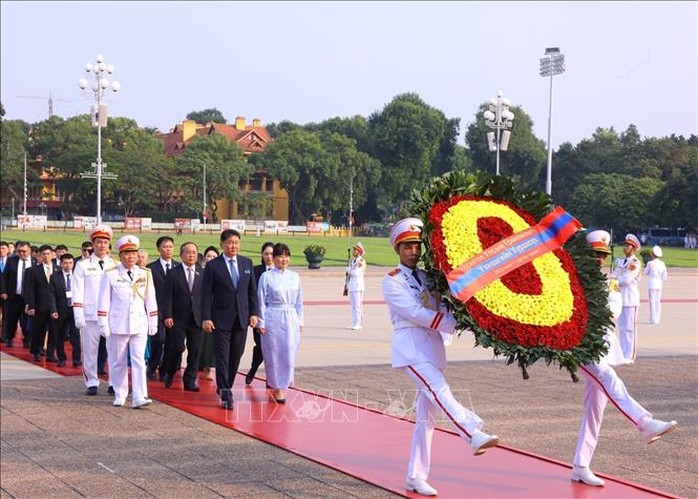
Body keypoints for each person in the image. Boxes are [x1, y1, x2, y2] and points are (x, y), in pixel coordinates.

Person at [381, 217, 499, 497]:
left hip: (432, 348)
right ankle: (472, 432)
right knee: (440, 390)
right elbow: (417, 314)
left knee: (426, 418)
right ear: (397, 249)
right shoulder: (392, 281)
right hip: (410, 347)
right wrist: (454, 324)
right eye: (407, 246)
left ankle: (415, 476)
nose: (413, 251)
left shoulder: (428, 277)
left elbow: (446, 306)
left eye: (416, 246)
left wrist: (469, 317)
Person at [571, 230, 678, 486]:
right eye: (595, 254)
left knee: (595, 408)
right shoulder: (572, 282)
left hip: (602, 347)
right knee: (608, 378)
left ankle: (580, 464)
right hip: (581, 347)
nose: (599, 260)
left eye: (602, 255)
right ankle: (644, 422)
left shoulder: (609, 283)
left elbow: (612, 309)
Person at [97, 235, 158, 408]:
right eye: (127, 253)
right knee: (118, 361)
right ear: (120, 255)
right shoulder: (111, 275)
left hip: (139, 322)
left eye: (134, 253)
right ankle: (120, 392)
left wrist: (153, 321)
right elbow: (104, 301)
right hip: (118, 323)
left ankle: (140, 395)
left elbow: (150, 299)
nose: (131, 257)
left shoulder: (145, 274)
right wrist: (103, 323)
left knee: (139, 360)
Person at [201, 229, 259, 410]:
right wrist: (206, 317)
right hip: (220, 319)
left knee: (236, 356)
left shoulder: (246, 263)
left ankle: (225, 385)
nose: (233, 246)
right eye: (230, 243)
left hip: (241, 319)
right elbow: (205, 295)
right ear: (222, 244)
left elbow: (252, 292)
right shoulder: (213, 266)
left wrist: (254, 313)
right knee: (222, 358)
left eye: (236, 242)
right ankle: (226, 392)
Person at [72, 225, 118, 396]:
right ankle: (92, 381)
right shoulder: (83, 265)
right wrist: (78, 313)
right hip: (90, 314)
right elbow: (77, 290)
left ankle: (114, 381)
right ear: (93, 244)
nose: (102, 245)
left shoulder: (115, 265)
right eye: (99, 242)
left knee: (114, 350)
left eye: (105, 242)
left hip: (112, 314)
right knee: (90, 350)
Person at [257, 243, 303, 403]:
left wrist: (300, 320)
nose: (283, 259)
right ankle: (276, 387)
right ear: (274, 258)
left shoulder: (294, 276)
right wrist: (261, 323)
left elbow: (299, 301)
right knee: (274, 354)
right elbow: (261, 301)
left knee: (289, 353)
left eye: (286, 256)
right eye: (280, 256)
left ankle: (285, 384)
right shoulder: (267, 276)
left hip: (290, 317)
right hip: (273, 317)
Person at [162, 242, 203, 392]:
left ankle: (190, 380)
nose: (191, 255)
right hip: (178, 318)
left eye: (194, 252)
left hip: (197, 318)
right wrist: (167, 315)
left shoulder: (202, 272)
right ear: (181, 255)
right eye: (188, 252)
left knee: (196, 350)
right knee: (177, 348)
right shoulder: (173, 273)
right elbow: (167, 297)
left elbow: (206, 297)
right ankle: (170, 372)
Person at [146, 236, 178, 381]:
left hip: (174, 311)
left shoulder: (178, 267)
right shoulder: (151, 269)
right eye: (165, 247)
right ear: (159, 249)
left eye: (170, 246)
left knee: (172, 342)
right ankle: (152, 367)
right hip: (157, 310)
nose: (168, 249)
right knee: (158, 341)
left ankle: (165, 369)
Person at [23, 245, 60, 362]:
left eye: (48, 254)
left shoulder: (58, 269)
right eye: (43, 254)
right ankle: (36, 351)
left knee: (54, 331)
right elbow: (30, 289)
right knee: (39, 330)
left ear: (52, 254)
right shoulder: (33, 270)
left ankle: (50, 354)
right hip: (39, 305)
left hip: (55, 306)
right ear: (39, 255)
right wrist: (31, 305)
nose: (46, 256)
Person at [245, 241, 275, 385]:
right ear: (262, 255)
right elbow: (250, 293)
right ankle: (254, 368)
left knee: (274, 348)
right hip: (259, 315)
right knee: (261, 345)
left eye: (271, 254)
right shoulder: (255, 271)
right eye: (266, 254)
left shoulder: (281, 271)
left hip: (276, 316)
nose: (269, 257)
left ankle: (272, 378)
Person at [612, 233, 642, 364]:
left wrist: (615, 280)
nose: (625, 247)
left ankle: (630, 355)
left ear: (633, 248)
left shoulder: (635, 262)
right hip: (620, 298)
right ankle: (623, 353)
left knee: (630, 329)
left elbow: (627, 279)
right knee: (622, 327)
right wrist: (612, 278)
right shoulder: (619, 261)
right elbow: (613, 274)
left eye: (628, 246)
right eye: (624, 245)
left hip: (630, 298)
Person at [48, 253, 81, 367]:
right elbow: (51, 295)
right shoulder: (54, 276)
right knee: (60, 335)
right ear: (61, 264)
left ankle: (77, 358)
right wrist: (53, 310)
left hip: (74, 309)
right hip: (61, 309)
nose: (68, 265)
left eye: (70, 263)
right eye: (65, 263)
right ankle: (61, 358)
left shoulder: (78, 275)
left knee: (75, 335)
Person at [1, 241, 32, 348]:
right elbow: (4, 277)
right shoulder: (12, 260)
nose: (21, 253)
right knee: (12, 319)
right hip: (14, 296)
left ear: (29, 251)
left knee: (27, 320)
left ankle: (27, 340)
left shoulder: (34, 262)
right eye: (19, 251)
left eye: (24, 251)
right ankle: (9, 338)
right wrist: (3, 291)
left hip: (29, 298)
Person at [199, 246, 219, 381]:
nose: (211, 258)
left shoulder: (221, 272)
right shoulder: (200, 272)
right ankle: (202, 365)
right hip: (202, 311)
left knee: (212, 342)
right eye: (209, 256)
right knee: (203, 342)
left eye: (214, 256)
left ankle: (208, 366)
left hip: (218, 311)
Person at [643, 245, 668, 325]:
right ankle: (657, 318)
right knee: (658, 301)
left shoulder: (650, 263)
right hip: (659, 284)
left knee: (652, 302)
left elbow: (645, 272)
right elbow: (665, 276)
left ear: (653, 254)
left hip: (652, 283)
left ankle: (652, 319)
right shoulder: (662, 263)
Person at [345, 241, 366, 331]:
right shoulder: (353, 261)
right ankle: (354, 322)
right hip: (352, 286)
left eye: (356, 250)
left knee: (357, 306)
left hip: (358, 286)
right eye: (354, 250)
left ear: (359, 252)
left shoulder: (360, 261)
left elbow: (356, 273)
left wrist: (349, 270)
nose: (354, 251)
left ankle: (358, 323)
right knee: (353, 306)